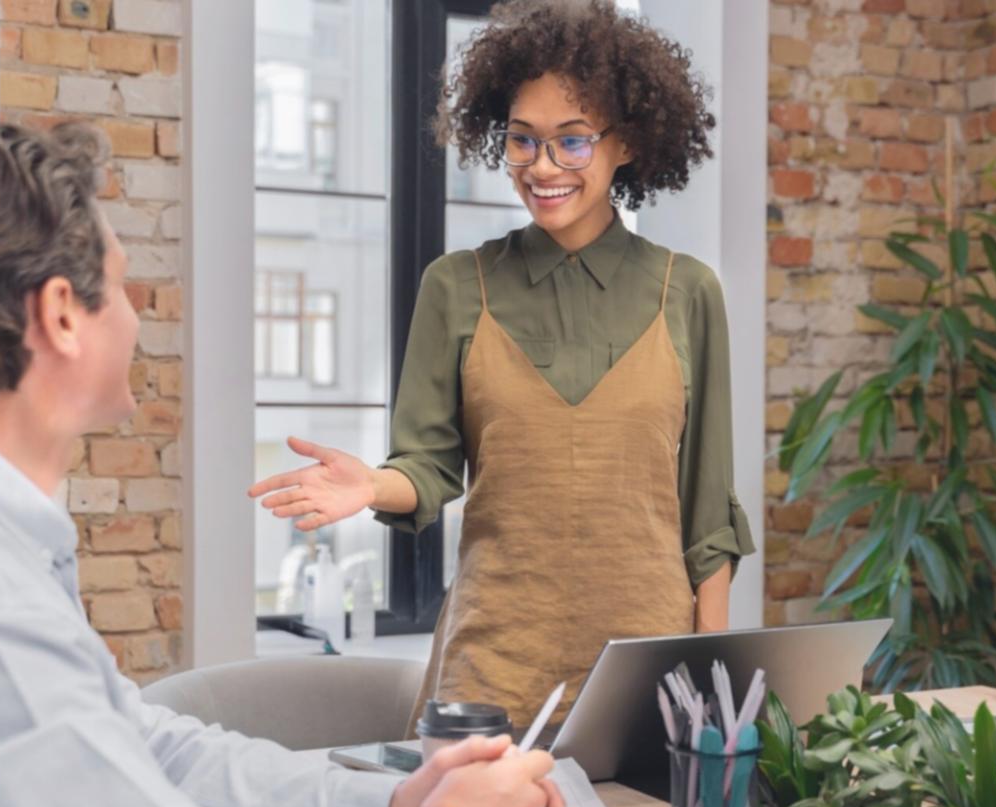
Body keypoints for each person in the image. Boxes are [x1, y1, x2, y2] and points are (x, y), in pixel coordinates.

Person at [0, 121, 563, 807]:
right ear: (60, 316)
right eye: (118, 285)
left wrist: (394, 802)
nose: (137, 316)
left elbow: (143, 749)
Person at [249, 0, 755, 730]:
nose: (542, 167)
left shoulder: (690, 292)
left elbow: (708, 520)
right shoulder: (456, 286)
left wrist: (714, 693)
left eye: (572, 142)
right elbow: (427, 469)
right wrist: (369, 484)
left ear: (629, 143)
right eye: (523, 141)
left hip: (649, 677)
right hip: (492, 670)